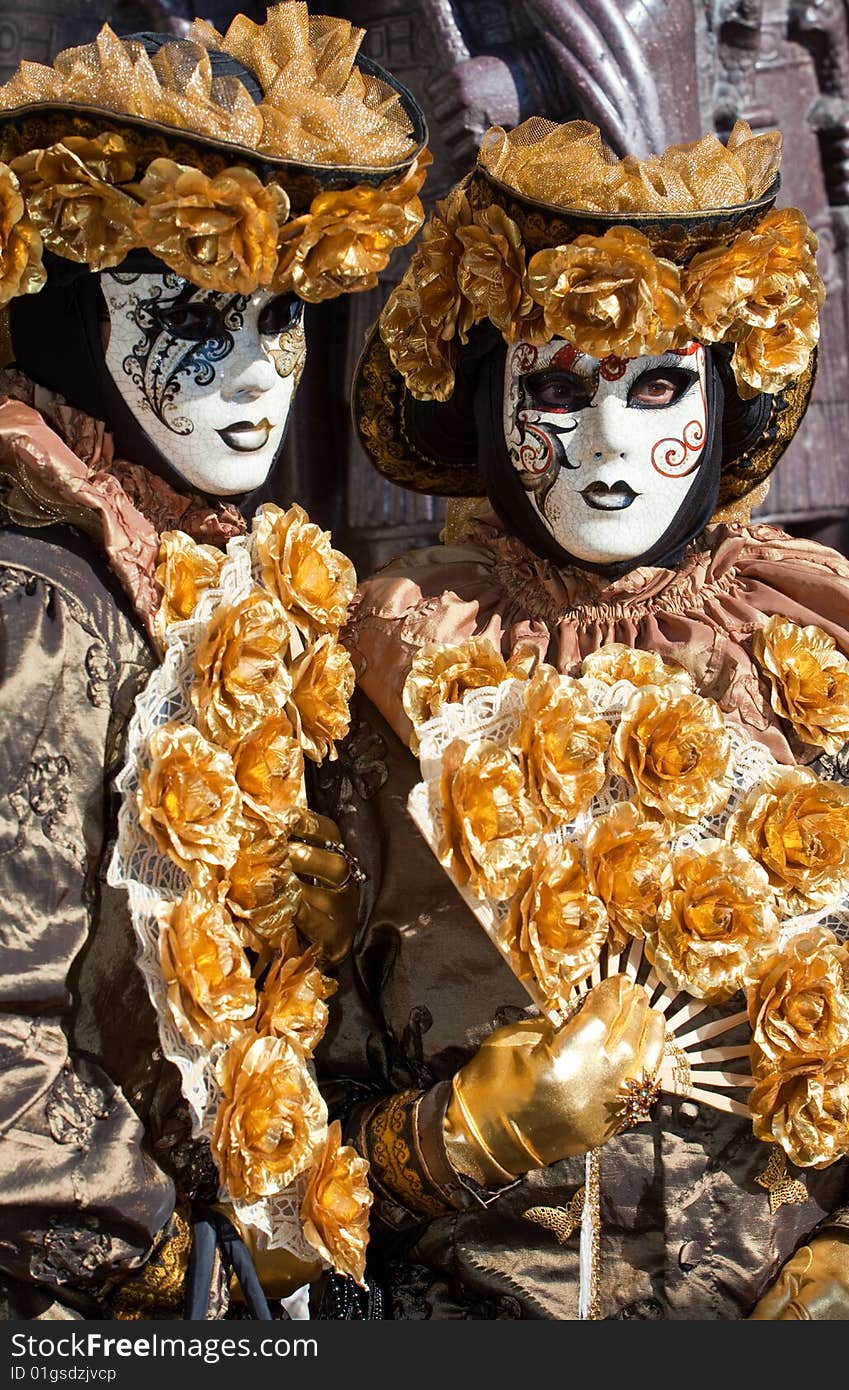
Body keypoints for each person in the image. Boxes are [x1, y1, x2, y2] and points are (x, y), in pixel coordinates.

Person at [311, 115, 849, 1319]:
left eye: (660, 383)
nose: (613, 447)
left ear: (723, 392)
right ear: (484, 399)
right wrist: (462, 1133)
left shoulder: (820, 656)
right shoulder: (385, 674)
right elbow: (268, 1125)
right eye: (560, 389)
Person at [0, 1, 428, 1320]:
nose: (257, 378)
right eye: (193, 316)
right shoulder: (37, 607)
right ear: (75, 317)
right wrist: (170, 1266)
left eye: (280, 318)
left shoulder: (192, 578)